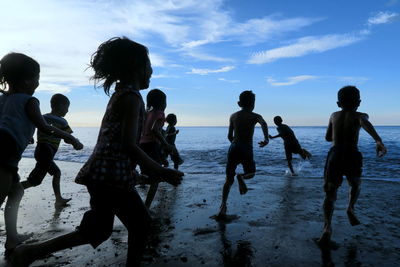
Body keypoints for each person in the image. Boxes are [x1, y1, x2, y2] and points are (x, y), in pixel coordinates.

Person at [10, 37, 183, 267]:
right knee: (141, 225)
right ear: (136, 67)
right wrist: (160, 169)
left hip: (103, 173)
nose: (151, 70)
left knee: (98, 231)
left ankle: (31, 252)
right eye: (148, 65)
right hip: (110, 175)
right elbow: (130, 144)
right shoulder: (131, 98)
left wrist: (141, 172)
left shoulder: (122, 93)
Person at [0, 53, 82, 255]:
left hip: (4, 149)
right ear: (27, 80)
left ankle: (12, 239)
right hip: (5, 154)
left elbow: (9, 122)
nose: (38, 82)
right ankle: (12, 239)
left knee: (17, 191)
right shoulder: (30, 101)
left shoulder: (3, 98)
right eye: (37, 77)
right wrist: (71, 138)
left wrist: (25, 135)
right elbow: (45, 127)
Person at [317, 86, 387, 246]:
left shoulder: (333, 115)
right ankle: (350, 208)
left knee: (330, 192)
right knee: (355, 183)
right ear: (359, 102)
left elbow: (328, 138)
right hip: (351, 153)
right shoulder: (360, 115)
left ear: (337, 103)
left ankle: (327, 228)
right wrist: (378, 140)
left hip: (335, 154)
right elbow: (365, 123)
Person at [218, 90, 269, 218]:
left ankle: (223, 206)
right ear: (253, 104)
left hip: (233, 147)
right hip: (246, 148)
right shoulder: (255, 116)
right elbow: (264, 123)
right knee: (251, 173)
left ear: (239, 103)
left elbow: (229, 136)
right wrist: (266, 138)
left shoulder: (233, 116)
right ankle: (241, 177)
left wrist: (235, 144)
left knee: (228, 180)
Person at [21, 94, 75, 207]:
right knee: (35, 181)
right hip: (46, 151)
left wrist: (28, 137)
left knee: (56, 173)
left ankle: (59, 199)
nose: (67, 110)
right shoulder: (63, 122)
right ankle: (11, 189)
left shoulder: (43, 117)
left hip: (41, 151)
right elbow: (68, 138)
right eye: (67, 107)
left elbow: (31, 126)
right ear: (61, 106)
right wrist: (75, 143)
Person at [139, 89, 177, 208]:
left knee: (146, 175)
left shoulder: (147, 113)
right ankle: (146, 207)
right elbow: (155, 130)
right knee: (155, 180)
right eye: (165, 101)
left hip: (141, 145)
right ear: (162, 102)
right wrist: (165, 143)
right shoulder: (160, 114)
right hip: (151, 145)